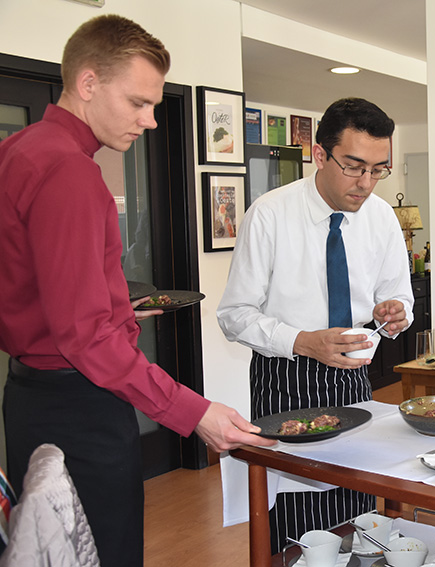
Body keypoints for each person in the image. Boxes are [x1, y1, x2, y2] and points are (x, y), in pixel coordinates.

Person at [0, 15, 275, 567]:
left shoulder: (18, 151)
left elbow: (36, 286)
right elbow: (84, 337)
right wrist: (193, 411)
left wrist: (115, 306)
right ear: (88, 83)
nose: (151, 121)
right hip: (80, 405)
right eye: (138, 103)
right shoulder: (70, 173)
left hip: (30, 399)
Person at [217, 97, 413, 554]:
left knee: (359, 511)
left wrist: (393, 314)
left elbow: (397, 295)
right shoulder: (269, 215)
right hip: (287, 380)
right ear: (320, 155)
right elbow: (234, 314)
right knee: (299, 526)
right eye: (354, 166)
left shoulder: (381, 217)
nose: (366, 184)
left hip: (355, 378)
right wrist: (303, 342)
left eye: (378, 169)